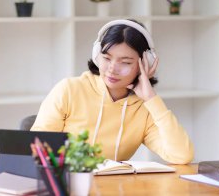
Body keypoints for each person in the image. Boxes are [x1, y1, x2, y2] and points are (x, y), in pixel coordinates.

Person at [31, 19, 194, 164]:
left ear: (145, 64)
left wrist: (151, 98)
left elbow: (181, 155)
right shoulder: (69, 90)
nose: (112, 69)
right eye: (107, 58)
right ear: (97, 56)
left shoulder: (145, 107)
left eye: (125, 62)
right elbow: (35, 152)